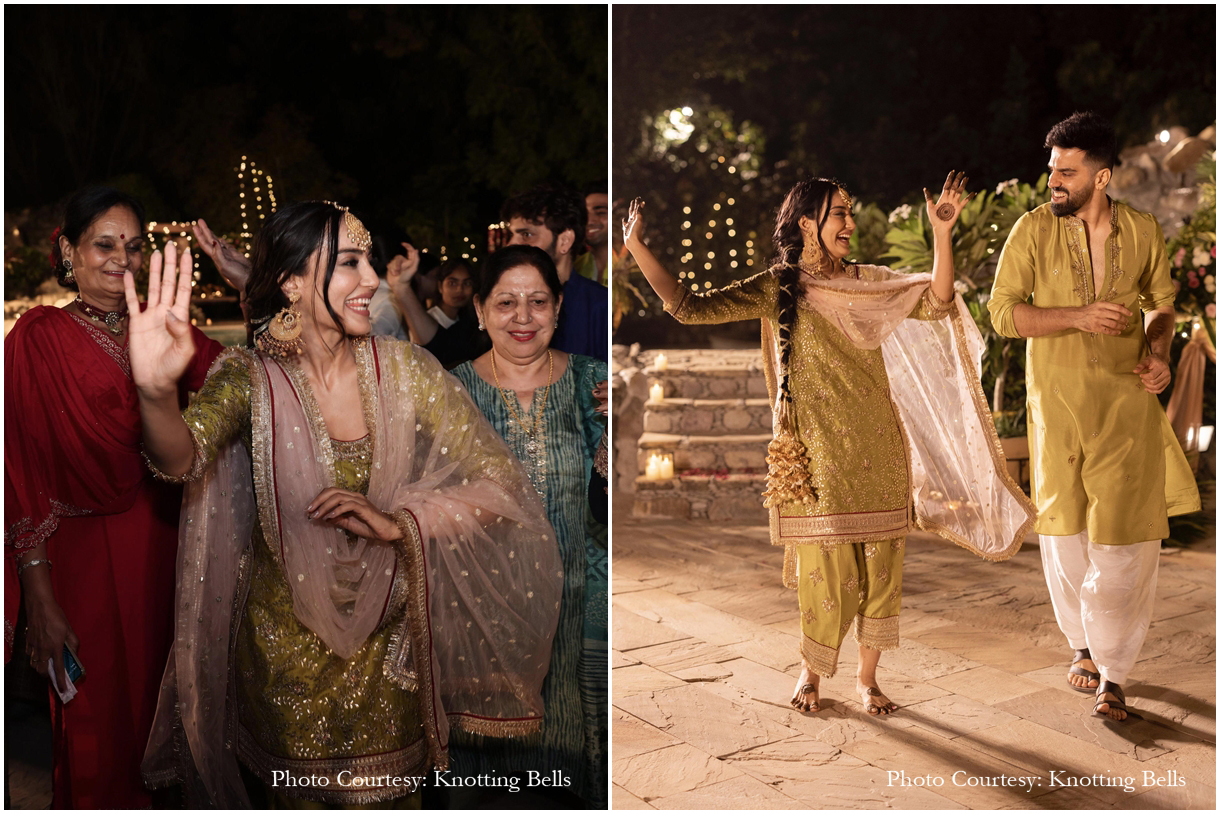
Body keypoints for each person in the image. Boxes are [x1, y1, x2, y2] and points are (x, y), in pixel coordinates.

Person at [129, 202, 562, 807]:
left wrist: (400, 523)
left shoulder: (408, 371)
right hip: (282, 661)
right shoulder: (249, 378)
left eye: (370, 263)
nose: (373, 281)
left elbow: (502, 485)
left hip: (390, 657)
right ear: (292, 283)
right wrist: (154, 394)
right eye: (349, 264)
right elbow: (180, 460)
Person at [623, 177, 1035, 717]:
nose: (849, 223)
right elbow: (688, 307)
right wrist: (635, 248)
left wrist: (942, 235)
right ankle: (811, 672)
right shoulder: (780, 286)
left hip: (879, 449)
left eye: (849, 212)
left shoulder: (868, 284)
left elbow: (936, 303)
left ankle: (867, 680)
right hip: (815, 460)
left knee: (880, 573)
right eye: (838, 213)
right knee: (828, 575)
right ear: (805, 223)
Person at [4, 187, 223, 807]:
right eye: (104, 243)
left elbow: (246, 387)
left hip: (168, 547)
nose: (120, 258)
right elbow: (21, 473)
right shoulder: (36, 338)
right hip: (77, 561)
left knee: (172, 712)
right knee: (98, 726)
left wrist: (255, 293)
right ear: (68, 250)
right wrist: (40, 596)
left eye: (133, 245)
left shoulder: (165, 325)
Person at [988, 111, 1201, 721]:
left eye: (1066, 172)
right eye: (1051, 169)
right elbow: (1004, 315)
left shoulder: (1142, 231)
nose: (1052, 181)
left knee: (1127, 542)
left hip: (1126, 405)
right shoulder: (1031, 231)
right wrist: (1077, 316)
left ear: (1102, 177)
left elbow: (1162, 305)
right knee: (1066, 539)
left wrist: (1159, 352)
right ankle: (1081, 646)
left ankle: (1114, 672)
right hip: (1056, 411)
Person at [448, 245, 608, 807]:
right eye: (506, 303)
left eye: (537, 302)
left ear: (558, 307)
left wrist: (619, 447)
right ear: (479, 310)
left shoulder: (597, 386)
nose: (522, 317)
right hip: (484, 613)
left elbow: (620, 511)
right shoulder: (449, 392)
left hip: (580, 606)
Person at [502, 184, 608, 361]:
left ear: (564, 241)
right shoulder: (500, 302)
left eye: (526, 235)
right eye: (511, 235)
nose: (511, 244)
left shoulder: (599, 307)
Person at [389, 255, 490, 369]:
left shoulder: (468, 322)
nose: (459, 290)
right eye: (452, 283)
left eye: (466, 283)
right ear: (440, 286)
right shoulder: (426, 323)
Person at [574, 182, 609, 285]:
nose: (589, 221)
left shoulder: (633, 267)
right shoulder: (575, 268)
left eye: (601, 212)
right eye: (585, 214)